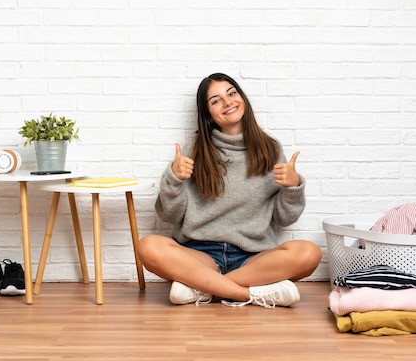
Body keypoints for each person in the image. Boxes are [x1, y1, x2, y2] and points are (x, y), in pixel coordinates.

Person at [135, 73, 322, 308]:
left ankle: (202, 288)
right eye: (215, 100)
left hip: (254, 257)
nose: (228, 102)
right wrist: (173, 178)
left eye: (232, 93)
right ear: (208, 115)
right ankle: (249, 295)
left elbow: (284, 218)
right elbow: (170, 216)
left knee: (309, 253)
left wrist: (293, 187)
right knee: (148, 246)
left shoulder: (270, 148)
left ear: (242, 97)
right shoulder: (194, 149)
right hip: (200, 254)